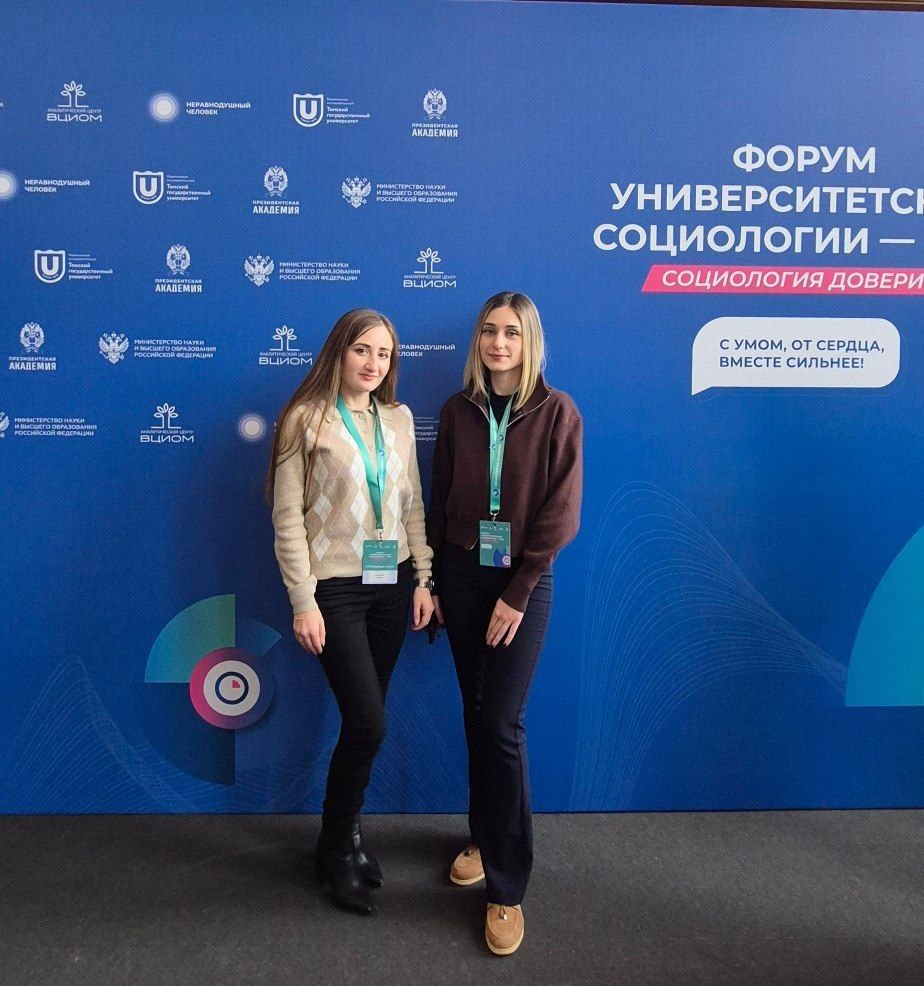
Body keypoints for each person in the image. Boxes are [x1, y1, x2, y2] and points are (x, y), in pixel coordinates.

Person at [427, 291, 583, 955]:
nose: (499, 343)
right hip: (462, 575)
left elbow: (561, 515)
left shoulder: (557, 411)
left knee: (500, 724)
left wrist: (517, 593)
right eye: (490, 331)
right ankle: (483, 834)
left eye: (512, 333)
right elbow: (439, 503)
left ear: (529, 342)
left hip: (522, 582)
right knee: (475, 714)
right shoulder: (457, 411)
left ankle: (507, 887)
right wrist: (434, 582)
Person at [267, 308, 434, 915]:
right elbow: (287, 519)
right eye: (362, 349)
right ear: (339, 352)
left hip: (393, 586)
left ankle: (344, 838)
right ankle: (336, 851)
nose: (373, 363)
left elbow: (412, 503)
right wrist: (303, 601)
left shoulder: (399, 419)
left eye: (384, 354)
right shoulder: (303, 420)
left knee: (365, 725)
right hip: (334, 590)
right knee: (368, 724)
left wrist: (424, 577)